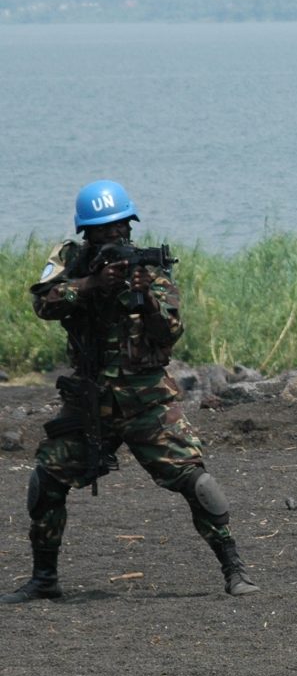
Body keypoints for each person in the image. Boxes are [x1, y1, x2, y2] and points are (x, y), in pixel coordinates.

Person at [1, 180, 259, 604]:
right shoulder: (72, 260)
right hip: (88, 399)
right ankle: (44, 579)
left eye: (119, 228)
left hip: (146, 398)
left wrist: (143, 297)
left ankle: (235, 570)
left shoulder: (150, 269)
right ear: (87, 233)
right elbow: (44, 304)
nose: (113, 237)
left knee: (196, 482)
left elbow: (170, 332)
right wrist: (90, 285)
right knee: (46, 480)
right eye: (103, 231)